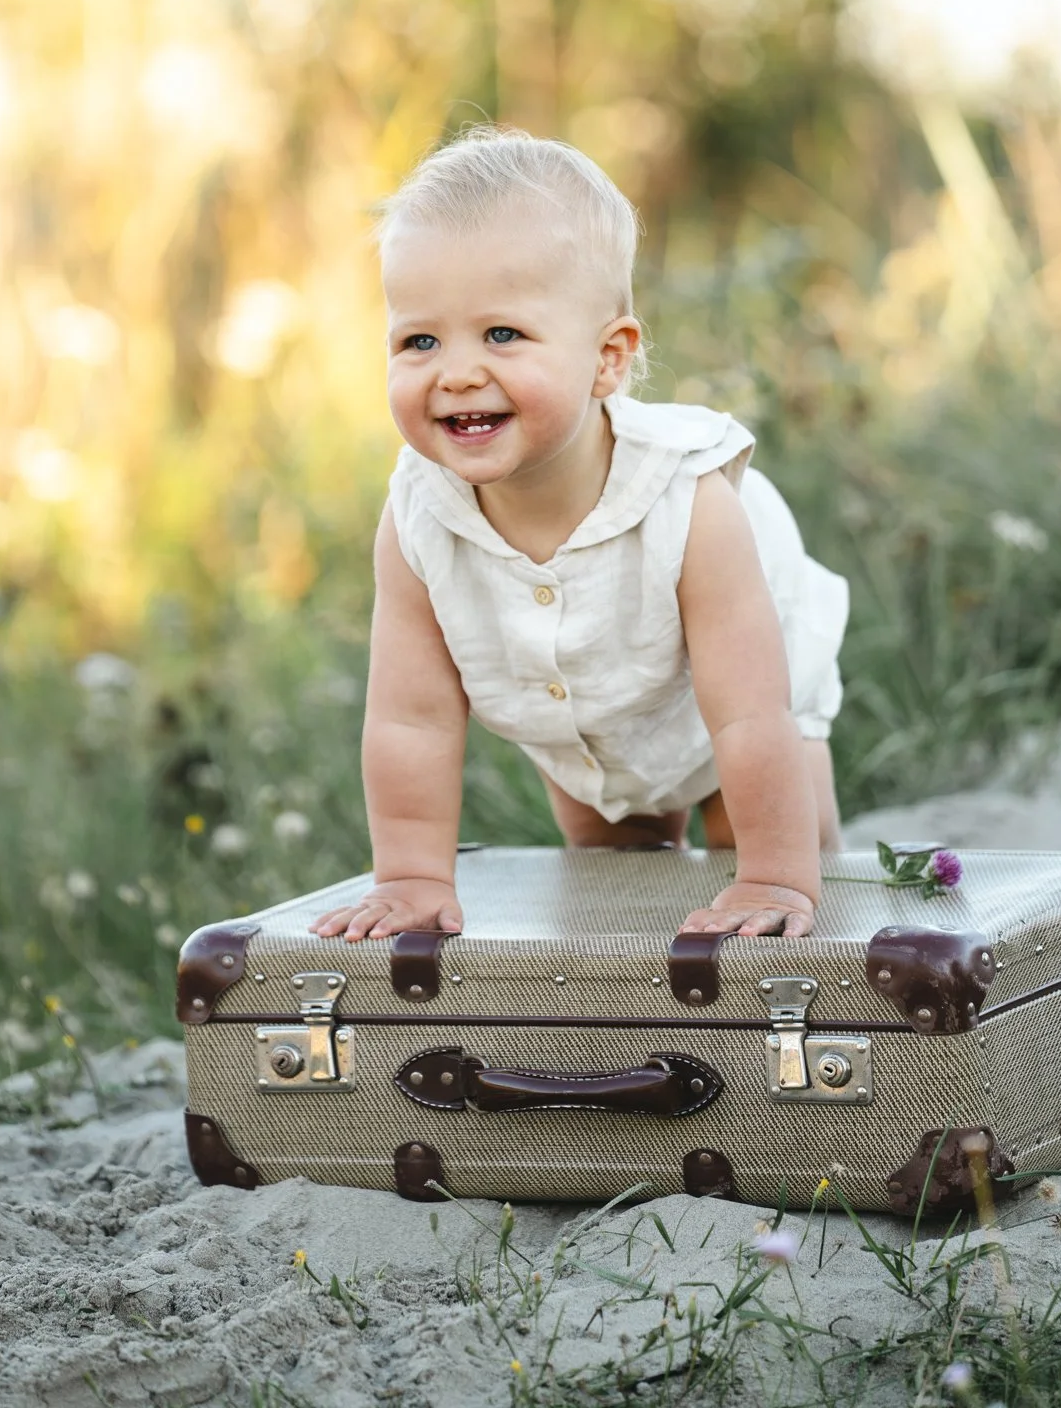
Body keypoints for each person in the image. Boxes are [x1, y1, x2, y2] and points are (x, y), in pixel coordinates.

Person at [311, 127, 848, 947]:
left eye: (501, 335)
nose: (454, 372)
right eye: (419, 340)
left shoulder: (688, 502)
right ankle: (638, 1048)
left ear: (607, 359)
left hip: (739, 711)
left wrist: (770, 874)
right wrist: (413, 877)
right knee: (615, 895)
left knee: (776, 887)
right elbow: (409, 721)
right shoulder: (420, 517)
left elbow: (748, 714)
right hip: (578, 727)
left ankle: (789, 952)